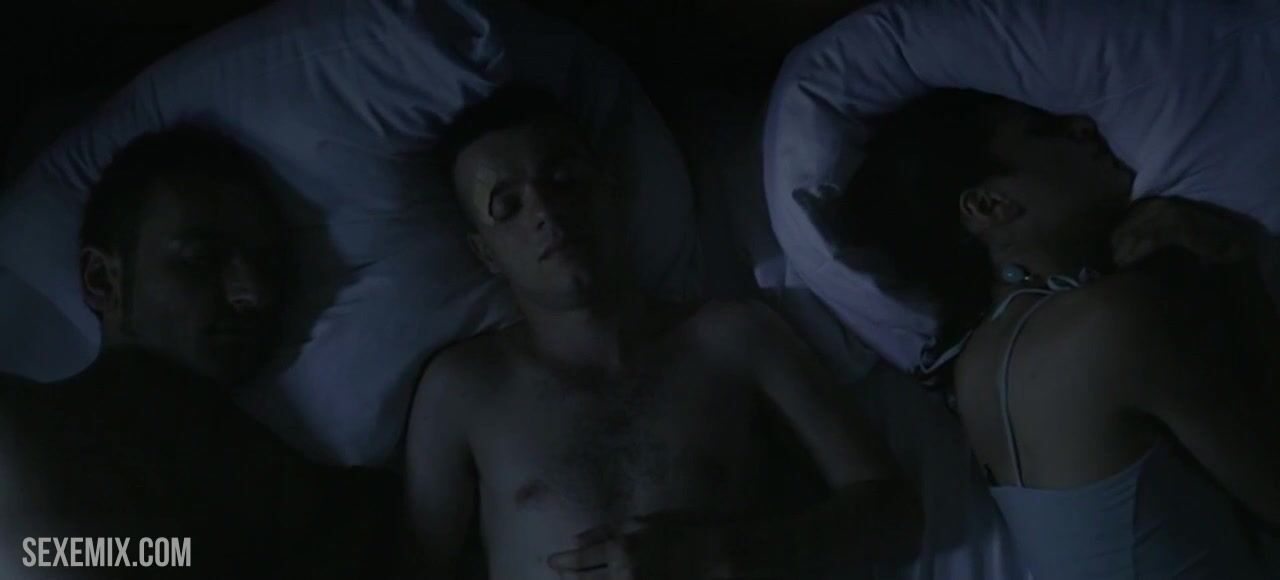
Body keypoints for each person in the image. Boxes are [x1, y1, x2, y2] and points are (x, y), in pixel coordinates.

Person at [404, 87, 923, 579]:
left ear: (612, 191)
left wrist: (726, 556)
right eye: (507, 206)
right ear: (487, 253)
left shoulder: (734, 338)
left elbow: (896, 517)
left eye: (564, 178)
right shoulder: (462, 388)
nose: (545, 210)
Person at [843, 90, 1280, 579]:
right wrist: (1234, 260)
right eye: (1044, 129)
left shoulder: (976, 360)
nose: (1083, 127)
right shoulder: (1110, 320)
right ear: (989, 205)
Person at [0, 127, 393, 579]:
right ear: (102, 281)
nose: (253, 293)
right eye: (201, 258)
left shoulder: (306, 499)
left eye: (268, 266)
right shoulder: (19, 422)